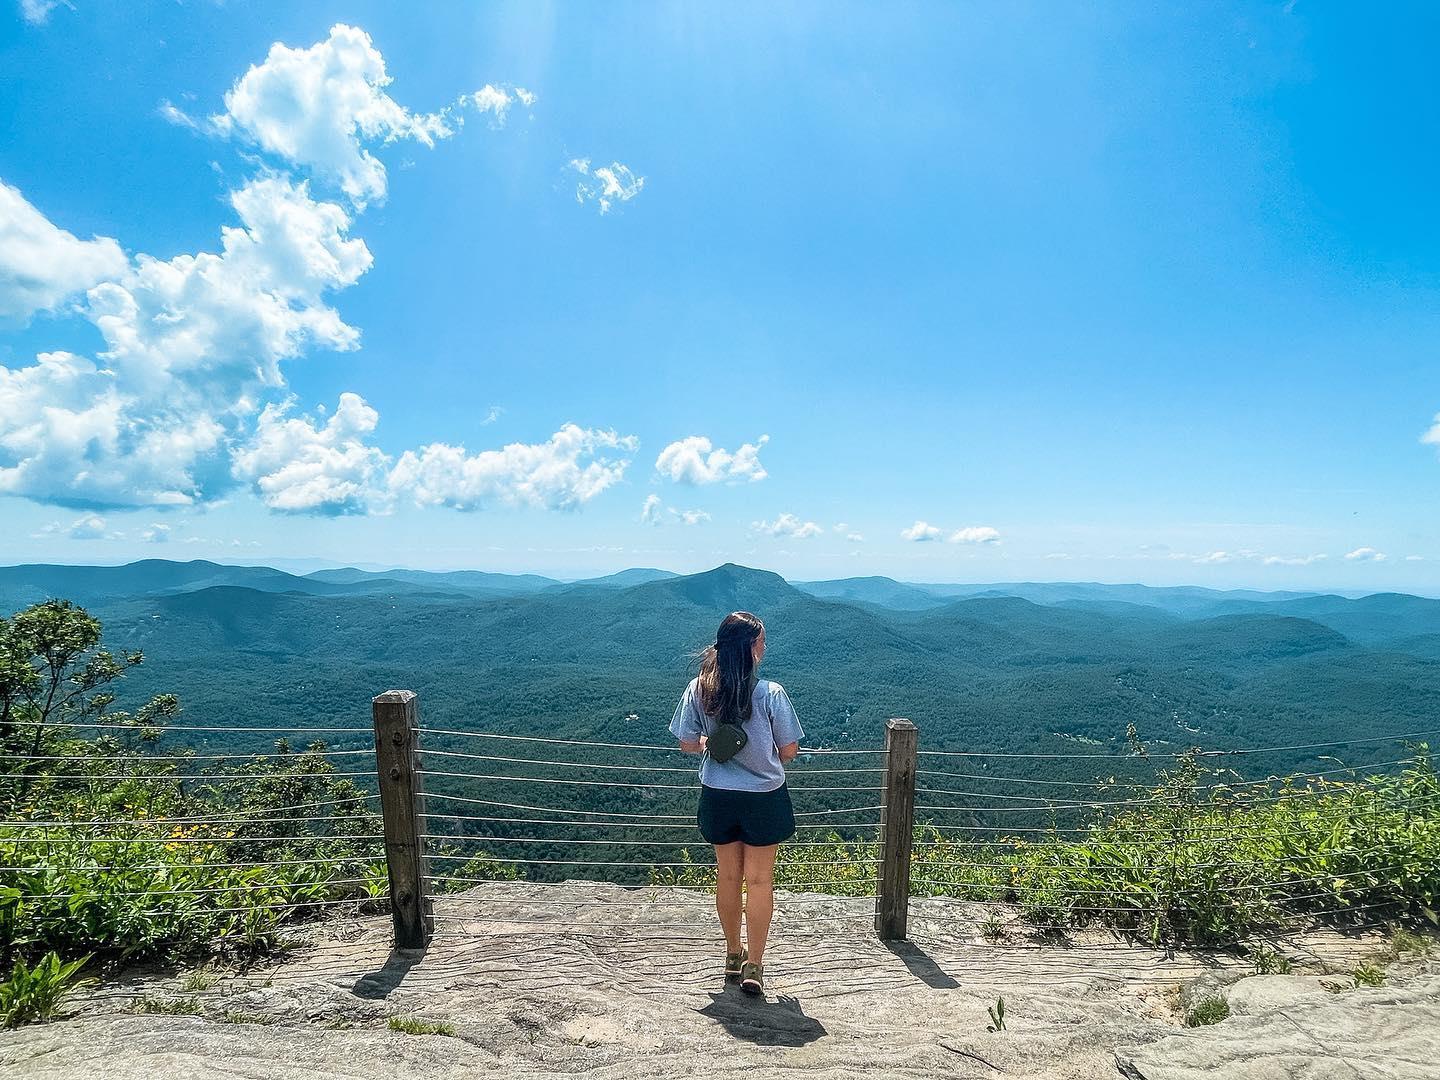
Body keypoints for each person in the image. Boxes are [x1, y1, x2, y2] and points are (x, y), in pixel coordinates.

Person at [669, 610, 803, 996]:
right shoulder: (770, 693)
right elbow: (789, 750)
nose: (765, 646)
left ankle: (732, 954)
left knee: (728, 876)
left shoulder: (700, 689)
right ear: (750, 649)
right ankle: (755, 966)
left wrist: (713, 744)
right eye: (761, 640)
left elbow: (687, 743)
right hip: (764, 797)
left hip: (718, 795)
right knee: (759, 880)